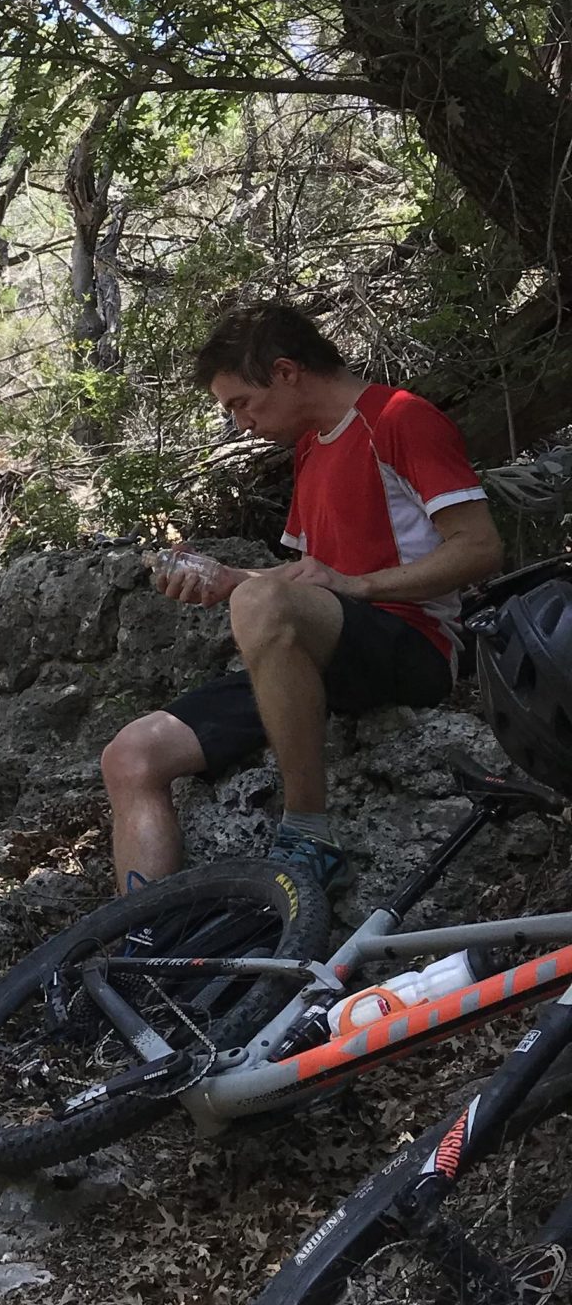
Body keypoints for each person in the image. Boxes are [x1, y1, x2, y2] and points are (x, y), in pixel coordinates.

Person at [100, 302, 504, 895]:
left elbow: (480, 547)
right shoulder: (313, 448)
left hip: (411, 642)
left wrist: (359, 586)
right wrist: (228, 579)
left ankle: (307, 832)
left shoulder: (398, 418)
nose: (241, 423)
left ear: (286, 371)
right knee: (131, 755)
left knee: (259, 605)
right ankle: (146, 943)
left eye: (240, 403)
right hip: (317, 654)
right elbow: (308, 579)